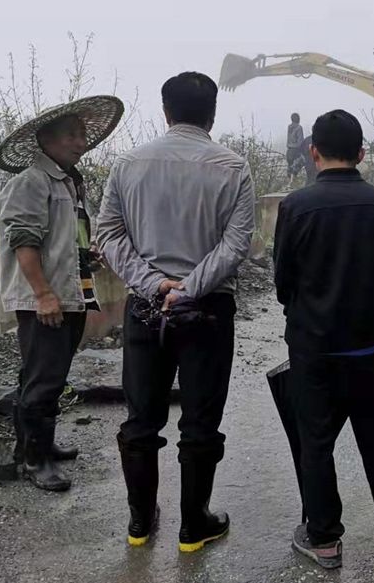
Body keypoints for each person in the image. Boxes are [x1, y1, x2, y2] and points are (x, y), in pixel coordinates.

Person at [97, 72, 255, 552]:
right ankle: (193, 526)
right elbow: (236, 243)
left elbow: (108, 235)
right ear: (211, 114)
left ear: (165, 112)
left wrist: (154, 285)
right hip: (208, 311)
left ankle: (140, 523)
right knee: (200, 420)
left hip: (145, 310)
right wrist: (190, 287)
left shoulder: (128, 164)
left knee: (142, 418)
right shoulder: (234, 168)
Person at [273, 109, 374, 570]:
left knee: (316, 439)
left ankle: (324, 540)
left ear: (313, 151)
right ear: (361, 153)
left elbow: (283, 281)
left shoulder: (295, 207)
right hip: (368, 345)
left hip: (313, 347)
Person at [0, 95, 125, 492]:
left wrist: (88, 255)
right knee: (44, 378)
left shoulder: (69, 183)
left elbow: (67, 236)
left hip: (71, 293)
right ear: (46, 141)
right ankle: (36, 460)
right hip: (45, 298)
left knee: (46, 374)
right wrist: (43, 294)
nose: (79, 141)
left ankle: (38, 444)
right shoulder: (31, 182)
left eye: (82, 134)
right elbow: (24, 240)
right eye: (71, 135)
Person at [286, 112, 305, 187]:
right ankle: (292, 183)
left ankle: (290, 183)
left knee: (290, 166)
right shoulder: (299, 127)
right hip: (296, 150)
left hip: (289, 150)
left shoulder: (289, 127)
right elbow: (300, 141)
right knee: (300, 162)